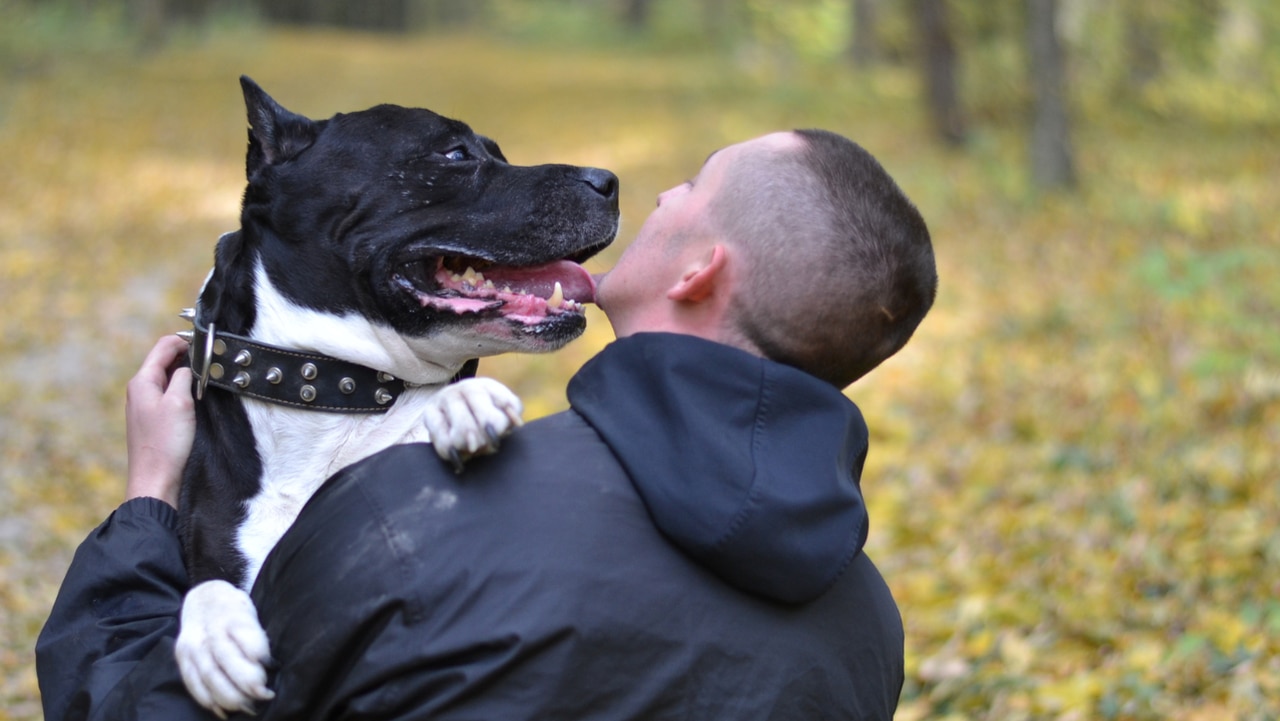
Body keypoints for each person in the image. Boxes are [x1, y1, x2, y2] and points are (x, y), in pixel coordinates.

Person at [36, 129, 936, 720]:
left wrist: (150, 498)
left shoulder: (407, 526)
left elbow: (127, 705)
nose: (661, 189)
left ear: (700, 269)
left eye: (692, 185)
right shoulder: (870, 630)